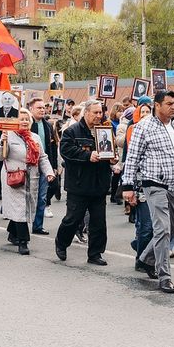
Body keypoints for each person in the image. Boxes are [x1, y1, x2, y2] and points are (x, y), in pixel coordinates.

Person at [121, 89, 174, 294]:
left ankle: (145, 258)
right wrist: (127, 187)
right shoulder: (143, 127)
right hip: (154, 185)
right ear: (157, 105)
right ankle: (164, 276)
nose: (173, 107)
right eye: (169, 104)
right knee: (163, 230)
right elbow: (132, 158)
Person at [55, 99, 113, 265]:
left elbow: (110, 149)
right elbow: (66, 151)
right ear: (86, 113)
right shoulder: (72, 131)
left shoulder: (104, 131)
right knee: (73, 219)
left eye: (100, 112)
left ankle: (95, 253)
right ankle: (61, 242)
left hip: (99, 184)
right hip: (79, 185)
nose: (98, 116)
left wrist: (112, 159)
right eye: (95, 112)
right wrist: (88, 156)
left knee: (98, 222)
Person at [0, 109, 56, 255]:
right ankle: (23, 241)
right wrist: (2, 143)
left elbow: (42, 157)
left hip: (32, 177)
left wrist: (49, 172)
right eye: (21, 119)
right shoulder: (8, 136)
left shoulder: (35, 137)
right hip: (14, 177)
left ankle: (12, 232)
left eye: (26, 119)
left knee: (25, 207)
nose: (24, 122)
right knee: (20, 207)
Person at [27, 97, 61, 235]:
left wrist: (53, 166)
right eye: (38, 108)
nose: (42, 110)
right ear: (31, 109)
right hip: (29, 166)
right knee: (27, 197)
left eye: (43, 108)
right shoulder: (27, 124)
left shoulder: (47, 125)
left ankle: (38, 225)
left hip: (44, 164)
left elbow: (51, 147)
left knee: (42, 196)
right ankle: (18, 225)